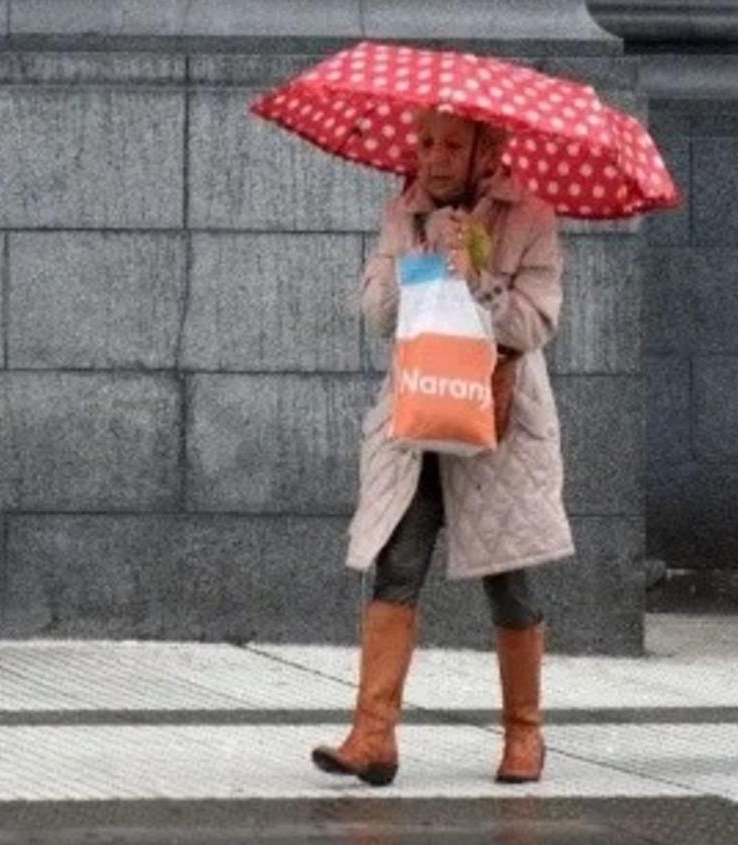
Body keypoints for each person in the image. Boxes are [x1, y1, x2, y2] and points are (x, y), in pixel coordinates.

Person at [311, 108, 574, 787]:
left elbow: (538, 320)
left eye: (452, 144)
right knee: (397, 563)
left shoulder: (531, 217)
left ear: (487, 150)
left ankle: (525, 735)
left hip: (495, 425)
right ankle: (373, 736)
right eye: (426, 143)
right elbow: (376, 313)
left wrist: (478, 270)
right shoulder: (403, 213)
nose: (434, 157)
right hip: (420, 414)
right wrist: (426, 264)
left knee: (508, 576)